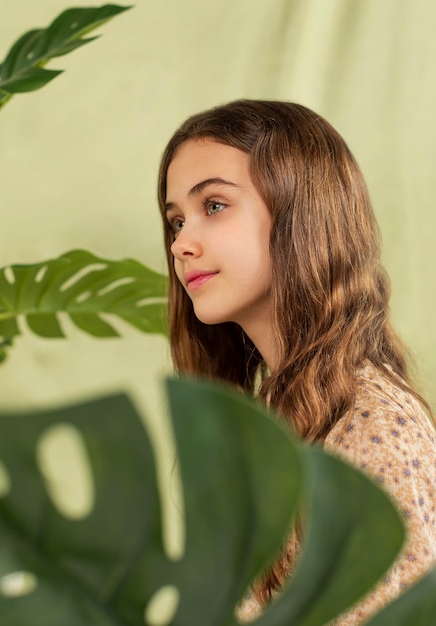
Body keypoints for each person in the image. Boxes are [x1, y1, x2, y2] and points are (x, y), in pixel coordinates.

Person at [157, 100, 436, 624]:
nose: (181, 245)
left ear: (301, 210)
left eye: (213, 205)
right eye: (175, 221)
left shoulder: (371, 424)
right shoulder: (277, 419)